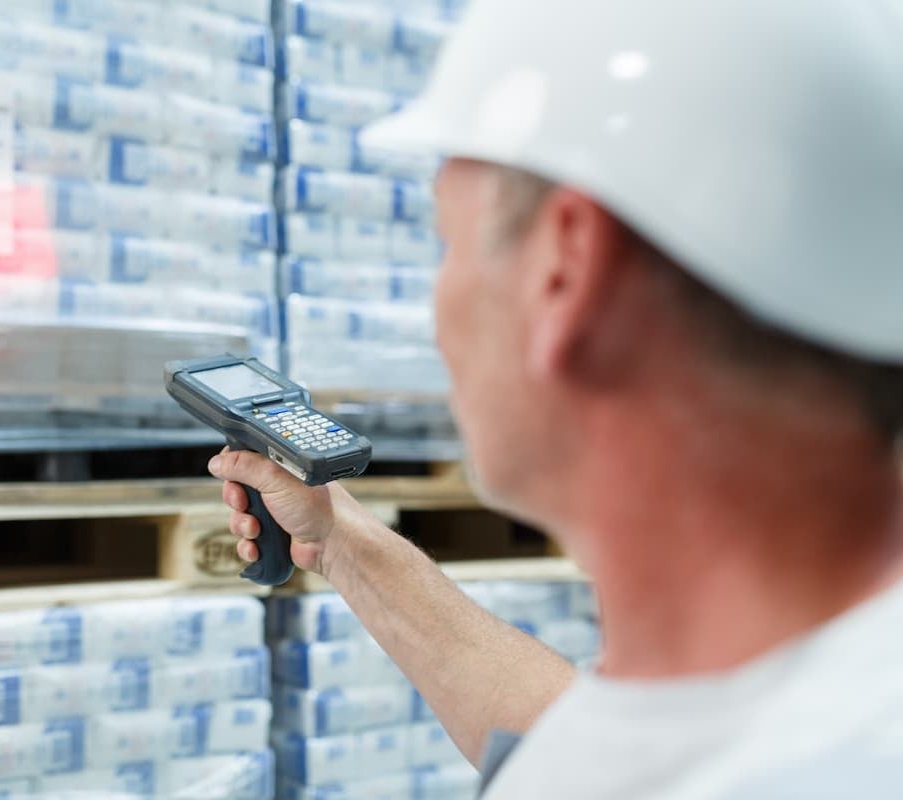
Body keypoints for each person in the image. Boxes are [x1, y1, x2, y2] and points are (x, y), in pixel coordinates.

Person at [207, 0, 903, 796]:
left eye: (450, 244)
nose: (439, 313)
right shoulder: (802, 703)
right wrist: (337, 540)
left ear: (565, 269)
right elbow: (591, 750)